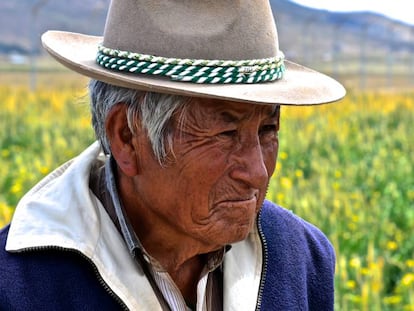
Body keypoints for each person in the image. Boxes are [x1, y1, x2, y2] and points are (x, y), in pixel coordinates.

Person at [0, 0, 345, 310]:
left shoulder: (302, 258)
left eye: (268, 130)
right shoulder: (17, 286)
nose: (257, 172)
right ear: (127, 138)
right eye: (225, 133)